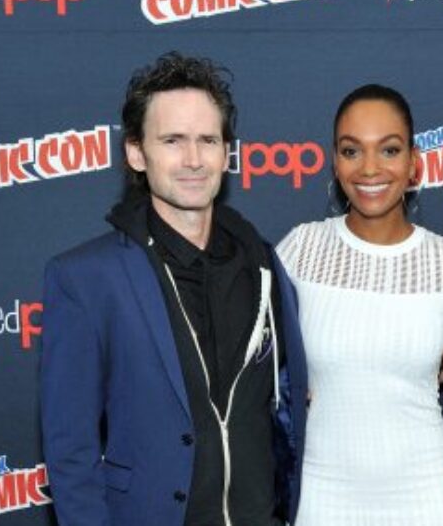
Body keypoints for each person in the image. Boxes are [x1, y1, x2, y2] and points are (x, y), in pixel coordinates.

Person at [40, 52, 307, 526]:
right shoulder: (86, 279)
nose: (192, 159)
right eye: (172, 140)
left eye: (207, 140)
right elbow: (70, 452)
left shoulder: (265, 264)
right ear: (136, 153)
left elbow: (284, 411)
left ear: (227, 152)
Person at [276, 84, 443, 525]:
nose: (370, 168)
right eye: (352, 151)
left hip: (427, 495)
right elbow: (258, 362)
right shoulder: (301, 249)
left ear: (414, 164)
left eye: (389, 150)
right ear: (335, 161)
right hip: (322, 493)